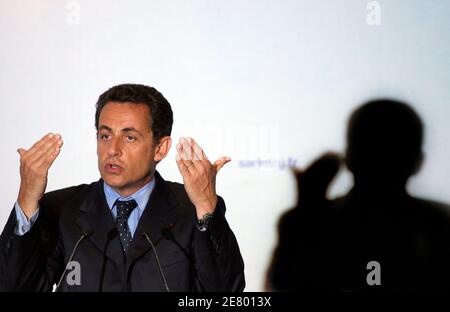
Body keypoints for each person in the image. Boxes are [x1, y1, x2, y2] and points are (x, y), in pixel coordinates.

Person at [0, 83, 245, 291]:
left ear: (160, 148)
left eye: (130, 137)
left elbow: (227, 291)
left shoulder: (191, 208)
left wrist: (205, 205)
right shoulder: (63, 209)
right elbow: (15, 286)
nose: (112, 150)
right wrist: (27, 199)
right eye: (105, 136)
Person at [266, 99, 450, 291]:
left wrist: (304, 224)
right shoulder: (439, 226)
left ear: (348, 158)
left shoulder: (308, 223)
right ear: (418, 162)